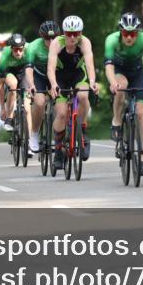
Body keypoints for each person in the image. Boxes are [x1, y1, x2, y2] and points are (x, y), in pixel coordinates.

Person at [103, 12, 143, 176]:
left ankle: (142, 157)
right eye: (126, 33)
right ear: (121, 32)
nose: (129, 37)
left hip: (137, 73)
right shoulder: (112, 40)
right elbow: (109, 66)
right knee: (121, 86)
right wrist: (113, 82)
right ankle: (117, 121)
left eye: (133, 34)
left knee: (140, 113)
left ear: (138, 32)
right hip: (119, 71)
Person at [47, 15, 99, 170]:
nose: (72, 37)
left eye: (75, 33)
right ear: (64, 33)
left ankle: (82, 130)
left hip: (78, 74)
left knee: (83, 95)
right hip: (60, 76)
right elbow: (50, 68)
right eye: (69, 34)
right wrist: (54, 84)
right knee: (62, 114)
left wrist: (92, 81)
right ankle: (58, 151)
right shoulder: (57, 43)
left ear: (80, 33)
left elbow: (89, 65)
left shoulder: (85, 42)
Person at [0, 33, 36, 156]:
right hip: (10, 73)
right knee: (13, 85)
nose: (18, 52)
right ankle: (10, 118)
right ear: (11, 48)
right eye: (15, 50)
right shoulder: (5, 56)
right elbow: (0, 84)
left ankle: (29, 143)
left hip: (24, 72)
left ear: (24, 47)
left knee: (27, 109)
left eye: (20, 49)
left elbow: (33, 71)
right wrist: (2, 108)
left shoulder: (29, 50)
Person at [29, 21, 59, 156]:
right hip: (39, 76)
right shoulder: (34, 46)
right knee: (40, 102)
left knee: (62, 103)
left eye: (54, 37)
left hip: (56, 76)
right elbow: (29, 69)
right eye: (47, 38)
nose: (51, 41)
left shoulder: (62, 45)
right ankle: (34, 134)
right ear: (42, 37)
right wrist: (31, 85)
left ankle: (59, 135)